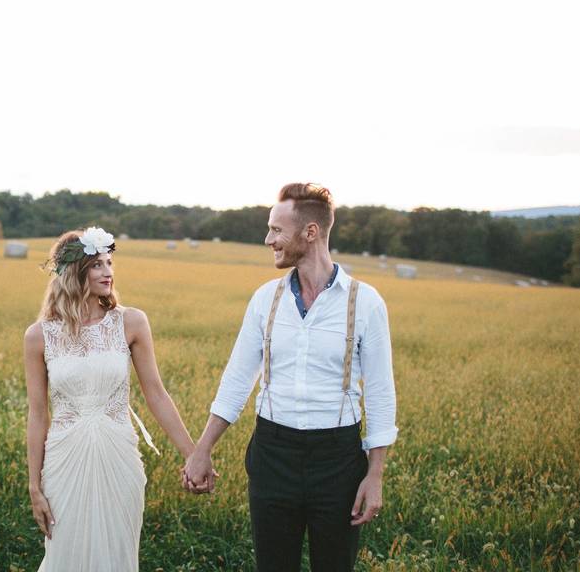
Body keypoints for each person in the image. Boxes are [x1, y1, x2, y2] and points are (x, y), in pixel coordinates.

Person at [183, 183, 398, 572]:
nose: (269, 240)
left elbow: (381, 393)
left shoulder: (365, 302)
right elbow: (237, 379)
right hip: (272, 454)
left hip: (338, 461)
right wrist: (202, 449)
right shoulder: (265, 299)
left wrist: (375, 474)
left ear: (310, 232)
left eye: (276, 230)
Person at [24, 227, 198, 571]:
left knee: (116, 558)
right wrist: (34, 487)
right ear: (75, 272)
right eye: (97, 265)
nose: (108, 272)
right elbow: (37, 415)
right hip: (63, 463)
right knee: (65, 558)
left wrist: (193, 455)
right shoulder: (38, 336)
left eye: (109, 263)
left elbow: (157, 395)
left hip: (119, 458)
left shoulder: (131, 322)